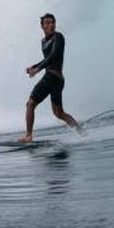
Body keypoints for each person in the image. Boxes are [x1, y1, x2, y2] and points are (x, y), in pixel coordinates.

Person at [19, 13, 82, 143]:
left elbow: (53, 56)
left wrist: (37, 69)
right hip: (56, 80)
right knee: (59, 113)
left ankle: (28, 136)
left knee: (30, 104)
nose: (51, 25)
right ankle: (83, 133)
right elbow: (47, 59)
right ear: (42, 26)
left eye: (53, 22)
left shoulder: (58, 37)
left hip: (52, 77)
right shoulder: (43, 42)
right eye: (47, 23)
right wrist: (34, 66)